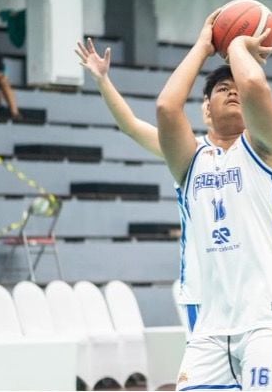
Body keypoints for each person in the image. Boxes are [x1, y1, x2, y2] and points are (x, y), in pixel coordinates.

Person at [156, 10, 272, 391]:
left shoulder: (269, 148)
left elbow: (255, 84)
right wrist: (203, 45)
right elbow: (166, 108)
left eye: (235, 86)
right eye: (220, 88)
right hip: (211, 330)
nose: (231, 91)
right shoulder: (192, 162)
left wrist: (238, 45)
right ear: (206, 107)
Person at [75, 37, 204, 335]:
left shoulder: (256, 154)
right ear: (206, 109)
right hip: (202, 293)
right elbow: (131, 126)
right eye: (219, 92)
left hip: (253, 295)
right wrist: (103, 81)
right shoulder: (189, 153)